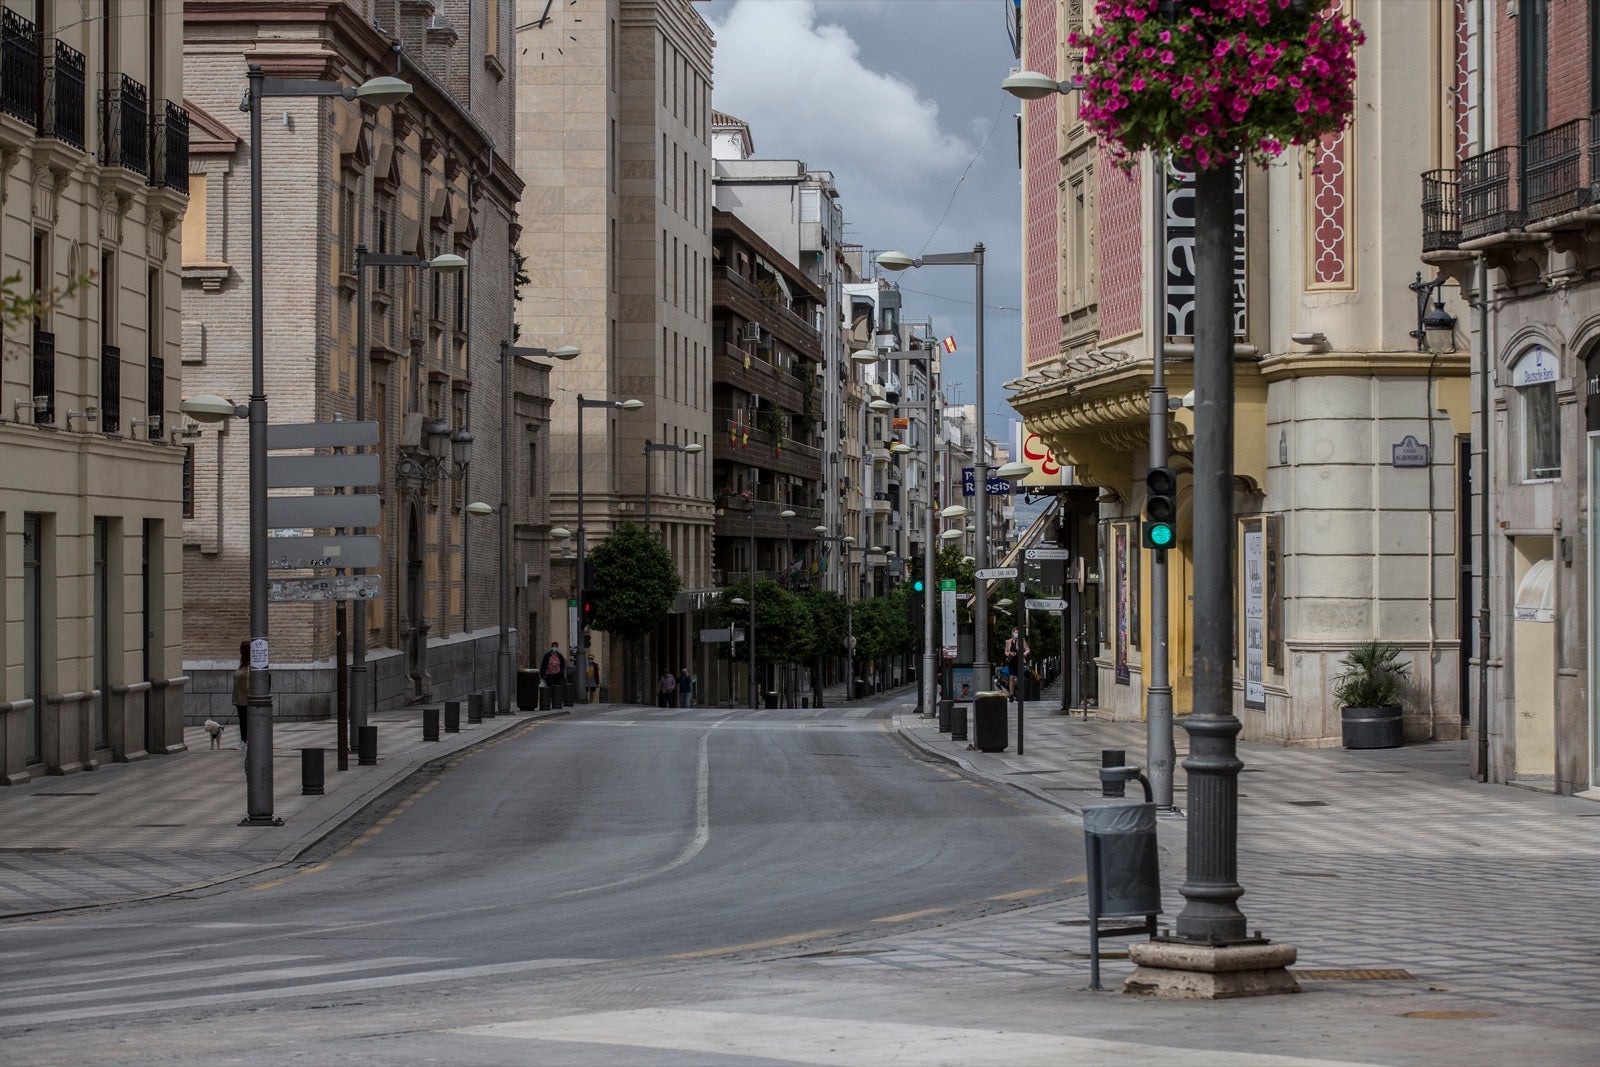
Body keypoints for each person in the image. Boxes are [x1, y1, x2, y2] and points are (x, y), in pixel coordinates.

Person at [231, 640, 250, 751]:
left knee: (246, 721)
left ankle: (245, 740)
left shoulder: (251, 666)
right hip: (240, 699)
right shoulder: (242, 665)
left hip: (247, 699)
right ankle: (244, 740)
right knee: (242, 721)